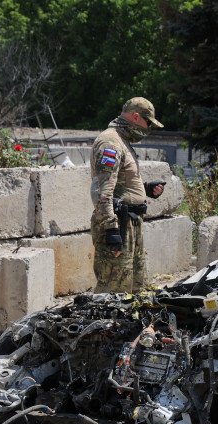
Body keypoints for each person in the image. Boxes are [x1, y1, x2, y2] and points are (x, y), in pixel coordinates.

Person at [90, 97, 165, 294]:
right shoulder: (110, 143)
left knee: (135, 288)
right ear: (136, 117)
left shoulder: (122, 141)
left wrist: (145, 189)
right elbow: (103, 190)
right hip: (118, 223)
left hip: (130, 222)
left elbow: (120, 181)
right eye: (148, 123)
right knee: (113, 289)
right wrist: (111, 229)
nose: (148, 129)